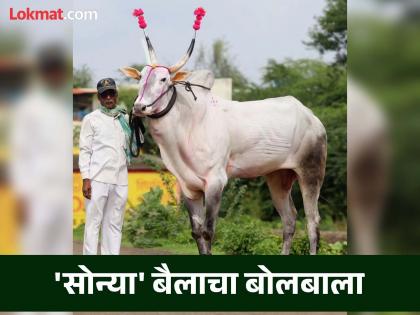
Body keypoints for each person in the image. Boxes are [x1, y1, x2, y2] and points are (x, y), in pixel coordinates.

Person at [79, 78, 131, 255]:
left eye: (112, 93)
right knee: (93, 223)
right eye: (104, 95)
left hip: (120, 180)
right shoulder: (91, 119)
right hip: (97, 179)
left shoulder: (124, 118)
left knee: (114, 224)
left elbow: (132, 146)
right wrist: (86, 179)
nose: (109, 98)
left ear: (116, 95)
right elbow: (85, 150)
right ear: (99, 98)